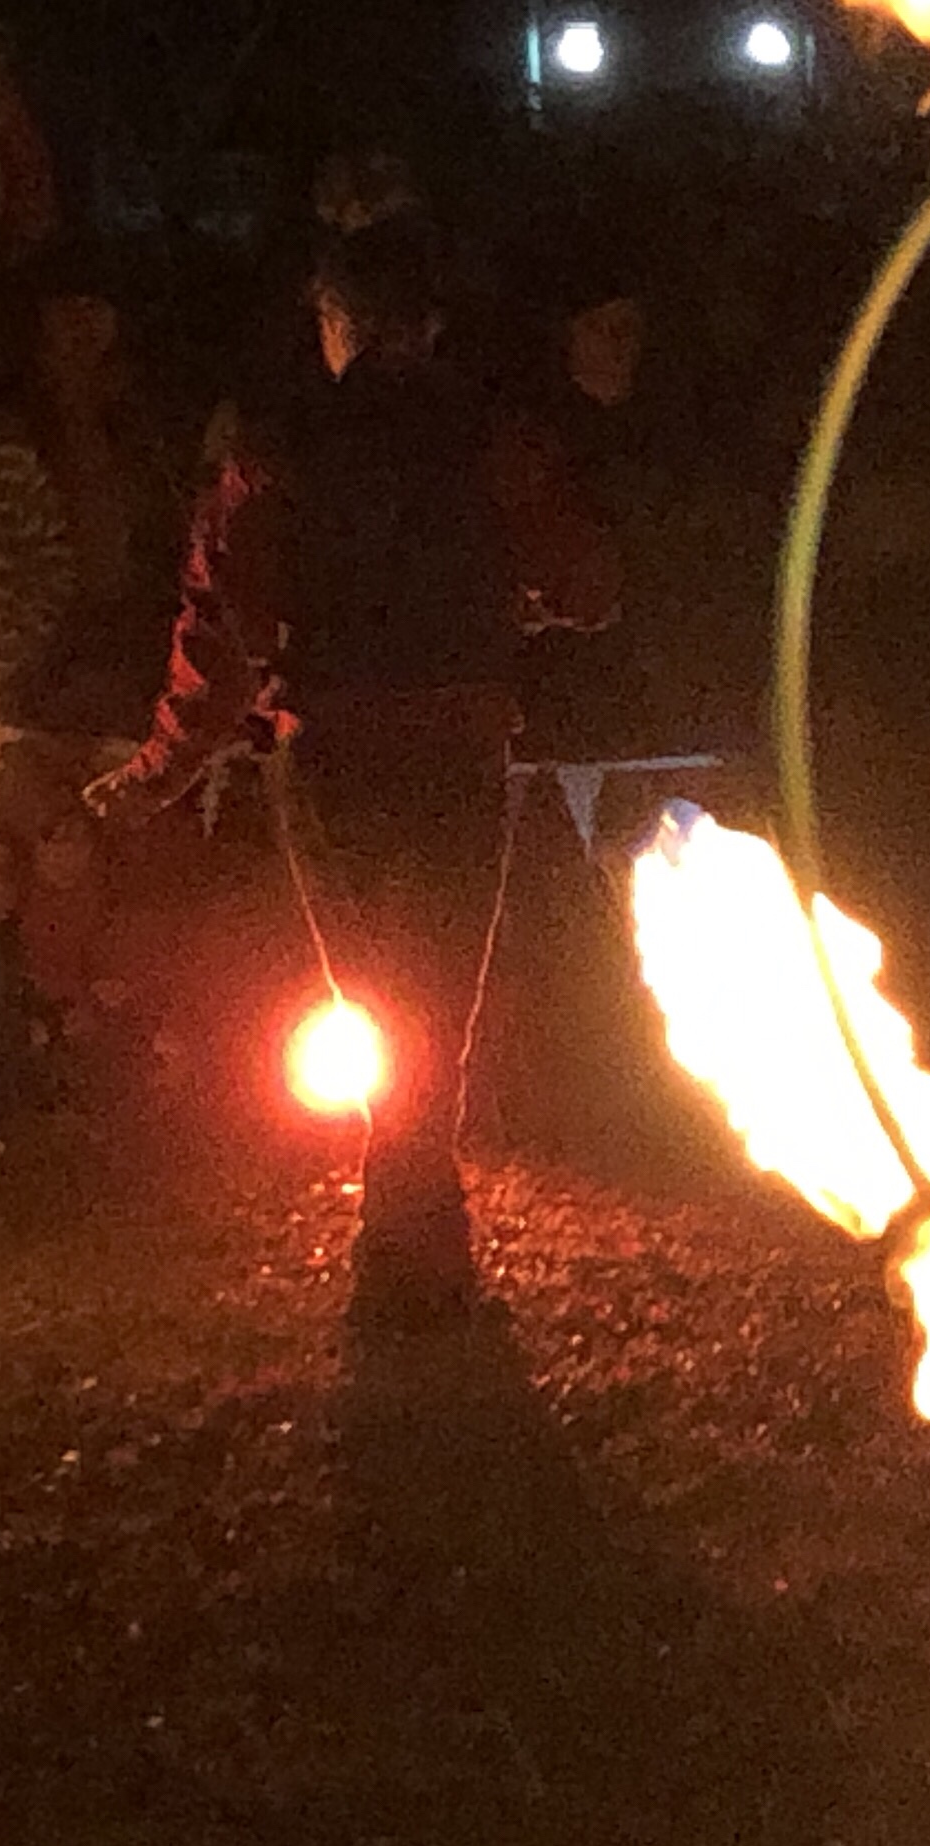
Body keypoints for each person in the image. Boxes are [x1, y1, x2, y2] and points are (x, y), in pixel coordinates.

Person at [85, 210, 616, 1320]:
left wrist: (160, 771)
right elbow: (587, 585)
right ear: (430, 324)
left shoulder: (277, 450)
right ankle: (421, 1240)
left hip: (332, 753)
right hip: (460, 744)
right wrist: (517, 601)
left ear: (334, 323)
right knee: (438, 996)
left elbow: (222, 627)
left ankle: (406, 1243)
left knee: (377, 990)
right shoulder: (492, 440)